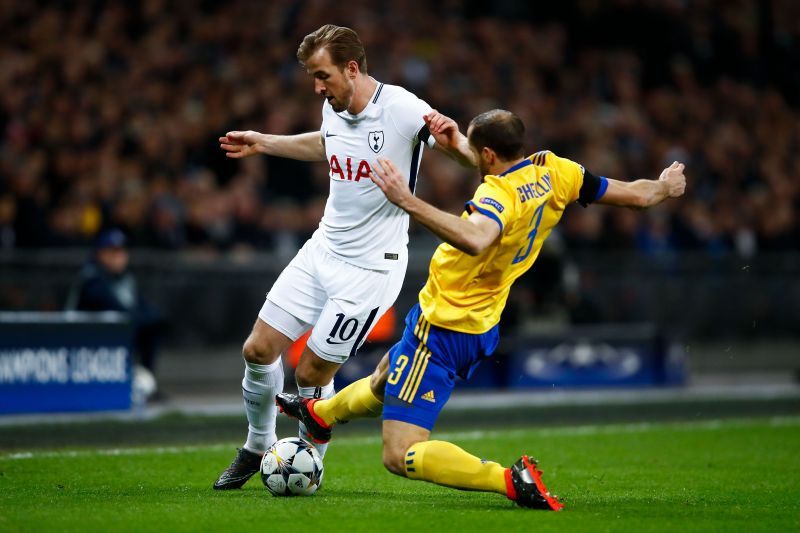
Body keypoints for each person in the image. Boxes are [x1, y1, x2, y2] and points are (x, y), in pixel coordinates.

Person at [276, 109, 687, 509]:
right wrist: (665, 186)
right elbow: (637, 195)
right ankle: (321, 414)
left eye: (473, 150)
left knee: (399, 453)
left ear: (488, 154)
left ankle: (508, 480)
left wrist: (407, 200)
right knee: (387, 375)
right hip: (480, 320)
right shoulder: (557, 171)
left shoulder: (496, 194)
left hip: (443, 325)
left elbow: (477, 238)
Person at [213, 24, 476, 490]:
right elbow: (325, 142)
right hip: (323, 250)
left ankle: (306, 465)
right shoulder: (333, 103)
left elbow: (465, 155)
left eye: (323, 76)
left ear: (352, 69)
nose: (317, 86)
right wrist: (265, 141)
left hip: (371, 269)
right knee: (257, 350)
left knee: (311, 370)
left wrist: (456, 140)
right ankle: (258, 445)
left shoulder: (401, 108)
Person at [66, 228, 165, 399]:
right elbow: (116, 309)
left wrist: (153, 317)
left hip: (116, 333)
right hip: (84, 339)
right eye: (112, 252)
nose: (119, 257)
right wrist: (144, 317)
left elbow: (143, 307)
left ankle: (146, 386)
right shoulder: (92, 278)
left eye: (121, 252)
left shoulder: (126, 279)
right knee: (139, 325)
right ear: (100, 254)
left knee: (151, 329)